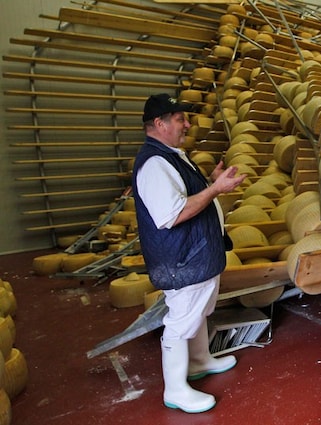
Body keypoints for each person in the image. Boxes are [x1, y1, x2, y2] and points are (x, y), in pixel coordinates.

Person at [132, 93, 247, 413]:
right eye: (180, 119)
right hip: (180, 259)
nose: (187, 124)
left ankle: (198, 360)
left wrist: (208, 183)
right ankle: (176, 389)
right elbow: (172, 214)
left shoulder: (172, 155)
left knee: (198, 312)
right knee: (180, 320)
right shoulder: (154, 163)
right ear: (159, 123)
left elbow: (185, 196)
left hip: (195, 255)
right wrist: (215, 190)